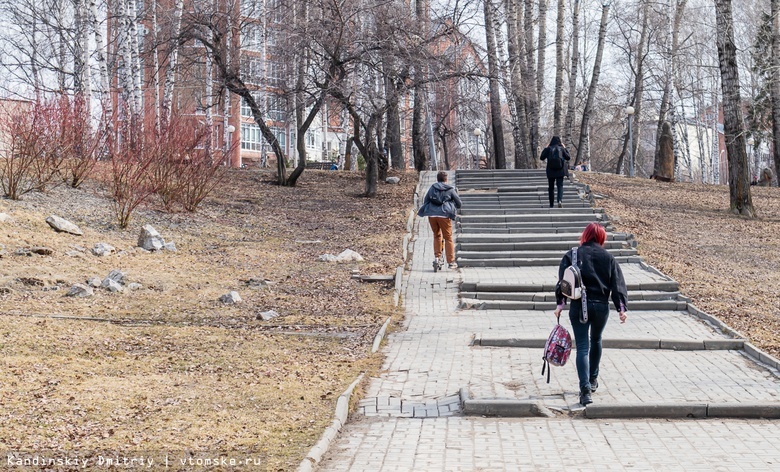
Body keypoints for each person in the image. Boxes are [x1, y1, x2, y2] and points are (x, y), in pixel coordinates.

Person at [554, 222, 628, 406]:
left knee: (582, 346)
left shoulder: (572, 255)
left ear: (585, 235)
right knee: (596, 339)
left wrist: (560, 304)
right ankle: (593, 379)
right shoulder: (608, 257)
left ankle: (585, 390)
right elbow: (617, 284)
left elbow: (563, 282)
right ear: (602, 238)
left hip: (578, 306)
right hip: (601, 307)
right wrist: (621, 309)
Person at [417, 171, 462, 269]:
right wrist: (451, 206)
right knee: (448, 237)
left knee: (437, 235)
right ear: (446, 179)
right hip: (444, 215)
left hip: (432, 215)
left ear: (437, 179)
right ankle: (451, 262)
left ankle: (437, 258)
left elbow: (426, 200)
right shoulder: (450, 190)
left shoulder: (432, 188)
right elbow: (459, 203)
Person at [540, 136, 571, 208]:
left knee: (551, 187)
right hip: (560, 170)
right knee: (560, 185)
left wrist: (546, 148)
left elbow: (541, 158)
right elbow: (568, 157)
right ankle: (559, 200)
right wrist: (565, 148)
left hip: (550, 171)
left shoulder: (549, 149)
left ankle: (551, 204)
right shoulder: (561, 148)